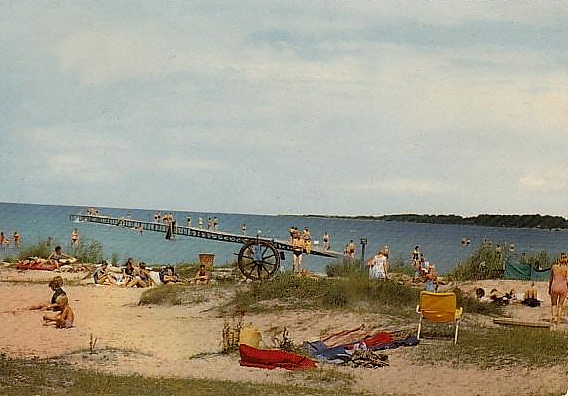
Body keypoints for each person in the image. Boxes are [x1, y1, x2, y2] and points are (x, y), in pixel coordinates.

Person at [548, 253, 568, 325]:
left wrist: (549, 288)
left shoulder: (554, 267)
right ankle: (558, 322)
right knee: (560, 305)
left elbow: (551, 279)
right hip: (563, 287)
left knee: (554, 304)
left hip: (554, 286)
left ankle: (553, 318)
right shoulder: (566, 268)